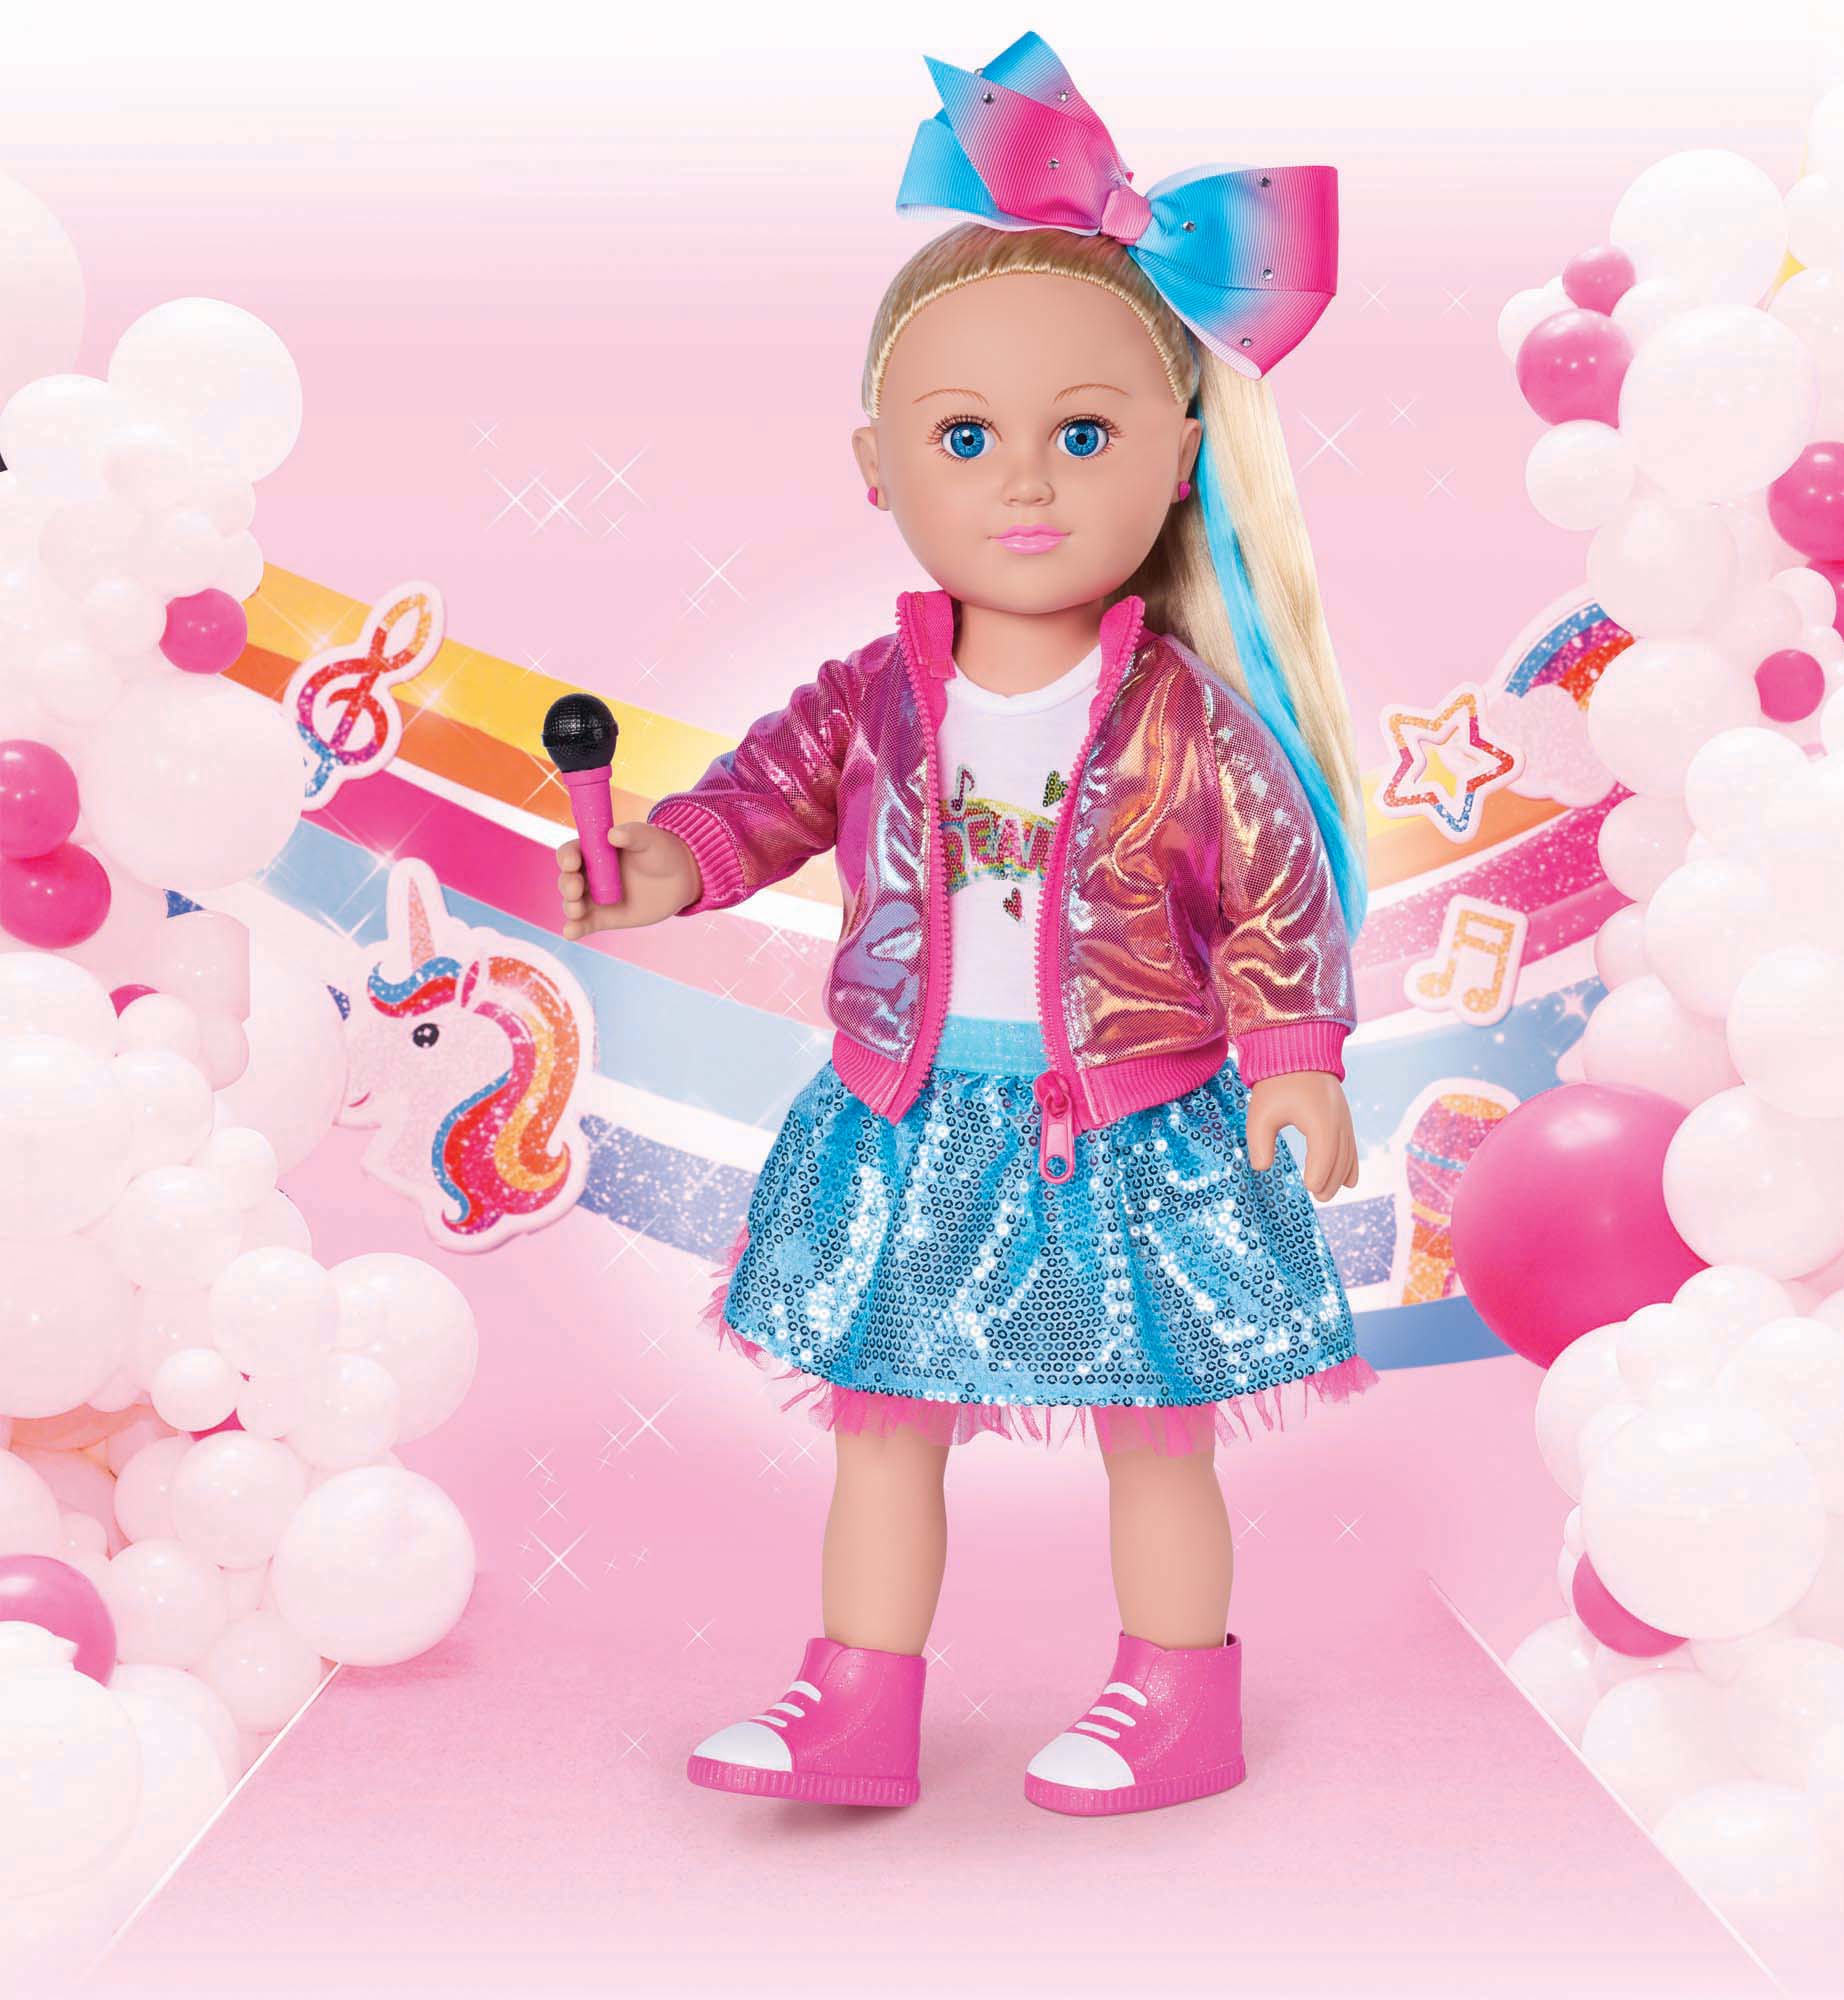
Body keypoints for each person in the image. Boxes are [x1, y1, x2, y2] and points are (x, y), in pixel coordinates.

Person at [554, 31, 1377, 1818]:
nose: (1025, 482)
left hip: (1133, 1122)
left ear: (1178, 455)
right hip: (910, 1115)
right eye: (964, 437)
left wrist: (1294, 1060)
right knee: (882, 1422)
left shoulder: (1182, 715)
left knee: (1154, 1431)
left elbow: (1272, 888)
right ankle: (855, 1698)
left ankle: (1176, 1699)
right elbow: (757, 799)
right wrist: (660, 867)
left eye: (1082, 434)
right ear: (876, 463)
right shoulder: (873, 694)